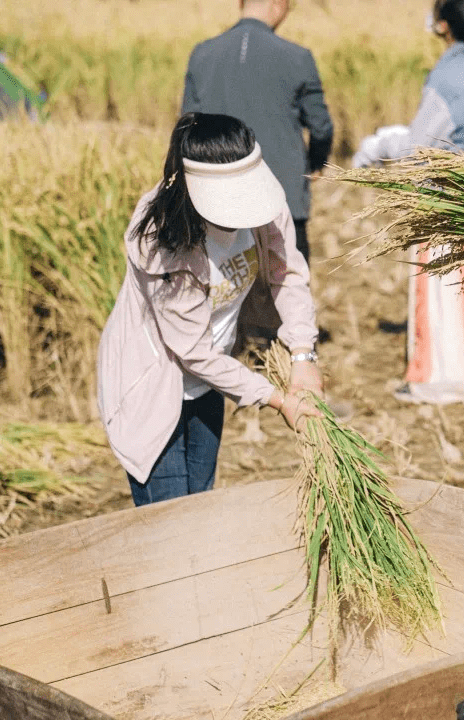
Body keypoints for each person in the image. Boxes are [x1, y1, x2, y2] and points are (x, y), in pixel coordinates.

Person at [97, 113, 322, 506]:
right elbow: (192, 351)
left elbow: (286, 274)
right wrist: (276, 398)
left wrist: (303, 355)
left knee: (200, 510)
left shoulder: (265, 207)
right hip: (153, 388)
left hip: (211, 383)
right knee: (166, 526)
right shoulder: (161, 240)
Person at [353, 0, 464, 405]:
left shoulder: (446, 75)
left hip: (449, 202)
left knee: (447, 293)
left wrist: (380, 145)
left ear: (442, 26)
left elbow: (422, 144)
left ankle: (447, 379)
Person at [181, 0, 332, 265]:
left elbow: (186, 130)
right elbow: (321, 127)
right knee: (287, 295)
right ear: (278, 4)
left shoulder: (202, 54)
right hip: (283, 202)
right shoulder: (299, 57)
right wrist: (316, 163)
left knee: (226, 299)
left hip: (217, 204)